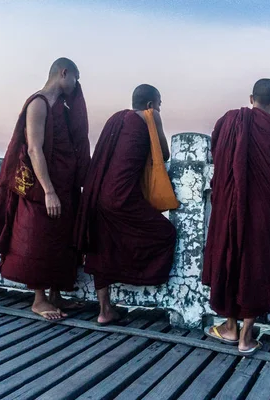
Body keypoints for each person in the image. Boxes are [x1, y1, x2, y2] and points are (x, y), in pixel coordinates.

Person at [0, 58, 90, 320]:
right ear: (64, 73)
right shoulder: (39, 103)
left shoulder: (61, 107)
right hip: (41, 188)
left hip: (62, 185)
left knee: (59, 239)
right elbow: (34, 149)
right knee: (38, 238)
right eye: (75, 79)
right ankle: (39, 299)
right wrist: (49, 190)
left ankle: (56, 295)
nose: (77, 86)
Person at [202, 78, 270, 353]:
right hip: (262, 207)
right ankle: (246, 336)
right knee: (257, 262)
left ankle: (229, 327)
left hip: (230, 204)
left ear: (251, 97)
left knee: (230, 254)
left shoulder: (228, 120)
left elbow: (219, 156)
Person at [75, 84, 176, 325]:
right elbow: (164, 154)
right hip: (122, 197)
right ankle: (142, 281)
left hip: (97, 193)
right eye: (159, 104)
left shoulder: (116, 118)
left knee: (102, 247)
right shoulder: (150, 117)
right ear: (151, 105)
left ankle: (104, 310)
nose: (159, 108)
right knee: (165, 233)